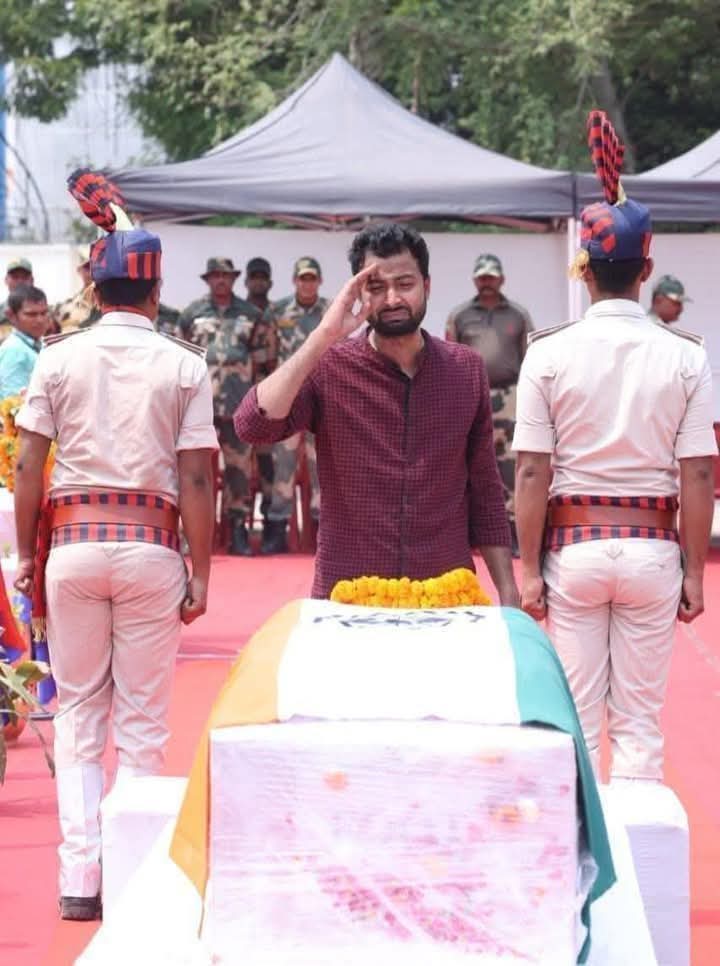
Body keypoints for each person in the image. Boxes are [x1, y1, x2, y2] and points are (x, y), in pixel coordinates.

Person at [13, 168, 217, 921]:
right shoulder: (184, 363)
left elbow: (29, 464)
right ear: (156, 292)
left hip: (72, 543)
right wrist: (203, 572)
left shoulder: (57, 359)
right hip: (152, 546)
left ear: (95, 292)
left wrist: (29, 558)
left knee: (78, 717)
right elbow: (198, 480)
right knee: (141, 722)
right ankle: (132, 875)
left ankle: (78, 880)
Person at [513, 111, 716, 783]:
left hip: (573, 551)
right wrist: (694, 569)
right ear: (647, 268)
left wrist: (527, 567)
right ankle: (640, 880)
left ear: (584, 268)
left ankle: (578, 876)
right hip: (655, 549)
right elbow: (697, 474)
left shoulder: (547, 354)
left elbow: (533, 471)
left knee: (570, 718)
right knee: (637, 724)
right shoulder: (686, 356)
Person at [234, 222, 519, 604]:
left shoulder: (465, 369)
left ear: (427, 286)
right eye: (376, 287)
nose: (392, 299)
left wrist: (509, 592)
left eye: (405, 284)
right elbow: (252, 425)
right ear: (356, 292)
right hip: (348, 596)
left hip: (445, 595)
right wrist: (323, 336)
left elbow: (485, 488)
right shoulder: (330, 367)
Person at [179, 257, 275, 555]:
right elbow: (181, 360)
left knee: (239, 471)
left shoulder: (251, 314)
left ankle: (237, 531)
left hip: (237, 407)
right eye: (215, 276)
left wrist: (258, 402)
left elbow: (264, 362)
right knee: (194, 472)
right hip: (200, 407)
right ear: (208, 280)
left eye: (226, 276)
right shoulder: (192, 314)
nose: (221, 281)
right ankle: (193, 534)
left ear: (235, 280)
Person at [445, 254, 533, 555]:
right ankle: (471, 535)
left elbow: (530, 360)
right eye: (482, 278)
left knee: (511, 466)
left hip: (510, 398)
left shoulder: (518, 316)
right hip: (471, 396)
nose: (487, 283)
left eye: (491, 278)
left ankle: (512, 533)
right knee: (471, 464)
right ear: (474, 280)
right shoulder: (460, 316)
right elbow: (449, 360)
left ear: (501, 280)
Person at [262, 257, 329, 554]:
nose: (307, 283)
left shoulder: (330, 311)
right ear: (294, 281)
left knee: (323, 466)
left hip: (322, 399)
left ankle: (322, 531)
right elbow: (270, 356)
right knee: (284, 466)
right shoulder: (277, 312)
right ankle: (277, 528)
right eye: (302, 278)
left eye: (312, 278)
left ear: (319, 281)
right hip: (288, 400)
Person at [0, 285, 49, 398]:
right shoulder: (13, 351)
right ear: (11, 316)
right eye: (31, 314)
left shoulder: (41, 343)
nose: (40, 320)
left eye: (44, 313)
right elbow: (13, 405)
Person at [51, 246, 101, 332]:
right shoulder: (67, 306)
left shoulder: (110, 304)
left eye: (94, 267)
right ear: (79, 271)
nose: (91, 272)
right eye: (87, 268)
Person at [0, 257, 34, 342]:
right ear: (6, 280)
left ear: (32, 280)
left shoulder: (45, 313)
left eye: (24, 277)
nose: (20, 281)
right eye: (15, 277)